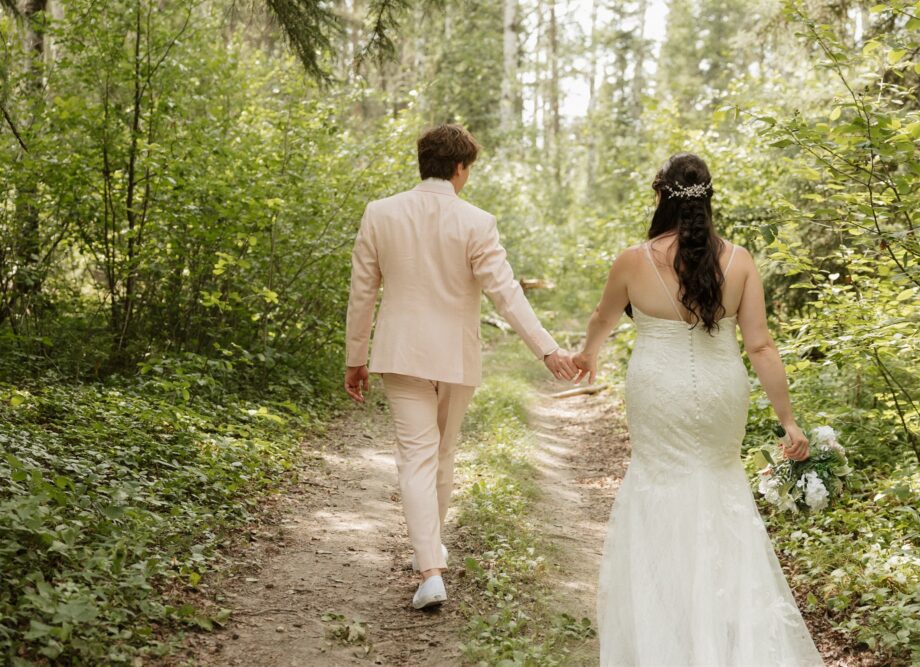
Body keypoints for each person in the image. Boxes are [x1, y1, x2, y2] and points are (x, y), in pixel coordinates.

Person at [572, 153, 824, 665]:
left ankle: (667, 635)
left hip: (657, 391)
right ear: (709, 197)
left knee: (658, 487)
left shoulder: (631, 260)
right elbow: (761, 347)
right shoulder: (741, 261)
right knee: (718, 488)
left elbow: (603, 318)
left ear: (659, 194)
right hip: (720, 393)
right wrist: (788, 420)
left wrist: (587, 356)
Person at [344, 124, 578, 610]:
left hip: (400, 354)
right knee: (442, 453)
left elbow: (362, 291)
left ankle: (429, 565)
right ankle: (430, 558)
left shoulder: (380, 213)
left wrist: (355, 358)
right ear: (459, 168)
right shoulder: (476, 221)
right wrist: (547, 350)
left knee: (416, 456)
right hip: (454, 356)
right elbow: (505, 292)